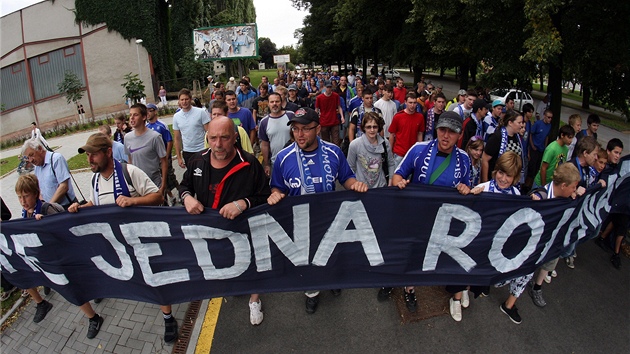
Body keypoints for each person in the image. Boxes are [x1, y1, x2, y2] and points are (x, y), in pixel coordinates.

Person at [68, 133, 173, 341]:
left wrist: (133, 201)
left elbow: (158, 197)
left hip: (141, 243)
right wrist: (79, 207)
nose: (89, 160)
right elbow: (94, 203)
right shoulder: (95, 179)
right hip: (116, 246)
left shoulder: (129, 172)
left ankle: (168, 318)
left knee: (155, 280)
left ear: (108, 152)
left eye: (93, 155)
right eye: (87, 155)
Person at [268, 107, 368, 314]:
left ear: (318, 128)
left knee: (332, 254)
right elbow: (277, 186)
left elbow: (346, 178)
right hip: (299, 224)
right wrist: (276, 193)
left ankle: (332, 281)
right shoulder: (283, 158)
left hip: (330, 220)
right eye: (295, 129)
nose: (299, 134)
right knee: (306, 261)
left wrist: (354, 185)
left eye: (305, 129)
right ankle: (311, 292)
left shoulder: (333, 152)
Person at [178, 116, 270, 325]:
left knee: (254, 265)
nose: (218, 145)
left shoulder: (249, 163)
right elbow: (184, 187)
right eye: (213, 138)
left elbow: (264, 196)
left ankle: (254, 300)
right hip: (214, 233)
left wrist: (243, 203)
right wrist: (187, 198)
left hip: (246, 231)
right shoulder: (196, 161)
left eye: (224, 138)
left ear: (235, 138)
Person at [385, 111, 472, 312]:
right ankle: (388, 280)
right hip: (412, 216)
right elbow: (398, 175)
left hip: (440, 222)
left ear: (459, 135)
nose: (446, 136)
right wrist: (400, 184)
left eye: (452, 132)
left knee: (419, 256)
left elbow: (468, 188)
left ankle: (410, 288)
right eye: (442, 130)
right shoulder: (419, 149)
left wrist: (465, 190)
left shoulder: (464, 160)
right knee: (400, 250)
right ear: (436, 130)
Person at [470, 152, 529, 324]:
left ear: (515, 177)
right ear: (495, 171)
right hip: (482, 240)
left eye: (508, 175)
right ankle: (476, 287)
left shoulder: (517, 196)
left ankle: (486, 284)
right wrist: (474, 195)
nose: (503, 179)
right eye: (501, 173)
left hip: (500, 243)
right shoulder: (484, 188)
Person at [528, 163, 581, 307]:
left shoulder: (568, 196)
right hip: (535, 240)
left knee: (552, 257)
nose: (574, 190)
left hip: (552, 238)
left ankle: (537, 287)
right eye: (573, 187)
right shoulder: (542, 195)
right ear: (563, 185)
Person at [15, 174, 61, 323]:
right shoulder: (26, 213)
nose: (22, 201)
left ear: (35, 194)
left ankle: (92, 309)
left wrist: (44, 225)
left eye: (26, 196)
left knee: (72, 284)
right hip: (44, 258)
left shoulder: (46, 209)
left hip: (58, 257)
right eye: (19, 197)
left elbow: (62, 232)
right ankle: (43, 300)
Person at [124, 104, 168, 198]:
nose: (131, 118)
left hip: (154, 184)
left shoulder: (155, 137)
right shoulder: (127, 138)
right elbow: (130, 161)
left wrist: (163, 186)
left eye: (135, 115)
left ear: (144, 117)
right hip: (137, 186)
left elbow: (164, 161)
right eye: (130, 115)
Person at [21, 138, 77, 209]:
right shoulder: (37, 167)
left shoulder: (56, 159)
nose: (30, 160)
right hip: (51, 209)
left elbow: (64, 186)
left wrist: (49, 206)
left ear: (40, 149)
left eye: (31, 155)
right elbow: (39, 189)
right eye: (28, 158)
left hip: (67, 207)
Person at [347, 112, 396, 188]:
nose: (372, 130)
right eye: (368, 127)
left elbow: (391, 163)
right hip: (362, 188)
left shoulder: (385, 143)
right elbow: (350, 168)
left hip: (381, 186)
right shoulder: (355, 144)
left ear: (379, 127)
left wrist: (390, 183)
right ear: (363, 128)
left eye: (375, 127)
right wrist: (355, 185)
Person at [146, 103, 179, 205]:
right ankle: (170, 196)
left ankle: (182, 192)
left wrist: (166, 156)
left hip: (163, 158)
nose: (147, 113)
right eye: (146, 111)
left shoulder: (162, 125)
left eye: (150, 110)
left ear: (155, 111)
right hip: (154, 160)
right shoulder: (146, 126)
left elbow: (169, 141)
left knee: (170, 177)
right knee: (161, 179)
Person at [481, 110, 525, 183]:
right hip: (496, 180)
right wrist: (485, 181)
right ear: (510, 123)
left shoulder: (517, 137)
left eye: (522, 123)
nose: (521, 125)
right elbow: (485, 159)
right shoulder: (497, 137)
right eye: (519, 123)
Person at [173, 88, 210, 169]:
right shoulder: (176, 116)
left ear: (190, 99)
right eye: (182, 99)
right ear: (179, 101)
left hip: (202, 149)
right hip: (187, 152)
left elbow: (209, 132)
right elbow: (177, 138)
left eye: (186, 99)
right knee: (192, 177)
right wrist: (179, 157)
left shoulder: (201, 112)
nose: (184, 102)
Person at [258, 92, 293, 177]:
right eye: (272, 102)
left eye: (277, 101)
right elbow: (265, 145)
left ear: (281, 102)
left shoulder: (291, 116)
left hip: (293, 160)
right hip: (276, 162)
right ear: (268, 104)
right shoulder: (264, 122)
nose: (274, 104)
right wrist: (266, 164)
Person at [388, 93, 425, 166]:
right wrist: (390, 152)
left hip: (412, 153)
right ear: (405, 102)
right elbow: (392, 135)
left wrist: (419, 151)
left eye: (414, 103)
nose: (412, 105)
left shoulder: (420, 117)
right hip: (399, 153)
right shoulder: (398, 117)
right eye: (410, 103)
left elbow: (420, 134)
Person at [526, 109, 552, 190]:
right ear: (544, 116)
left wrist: (545, 146)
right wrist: (532, 145)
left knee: (537, 168)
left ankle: (532, 186)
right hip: (535, 148)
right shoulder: (538, 124)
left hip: (541, 149)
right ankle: (526, 186)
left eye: (551, 118)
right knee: (531, 168)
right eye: (548, 117)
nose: (549, 119)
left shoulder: (549, 126)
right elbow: (531, 134)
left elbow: (546, 136)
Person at [315, 82, 344, 146]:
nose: (329, 89)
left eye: (330, 87)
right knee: (325, 141)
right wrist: (316, 120)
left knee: (336, 141)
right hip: (324, 122)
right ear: (325, 87)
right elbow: (316, 109)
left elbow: (339, 106)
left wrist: (342, 117)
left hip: (334, 121)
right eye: (328, 87)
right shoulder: (319, 98)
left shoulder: (336, 96)